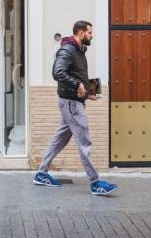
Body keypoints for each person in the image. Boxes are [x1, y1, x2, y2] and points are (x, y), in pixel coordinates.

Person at [33, 20, 118, 196]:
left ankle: (41, 173)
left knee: (60, 139)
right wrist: (77, 84)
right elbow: (58, 72)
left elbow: (75, 75)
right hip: (71, 104)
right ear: (80, 33)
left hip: (72, 101)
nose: (92, 35)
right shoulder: (67, 50)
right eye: (89, 33)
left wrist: (88, 92)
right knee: (85, 141)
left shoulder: (79, 50)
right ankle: (95, 183)